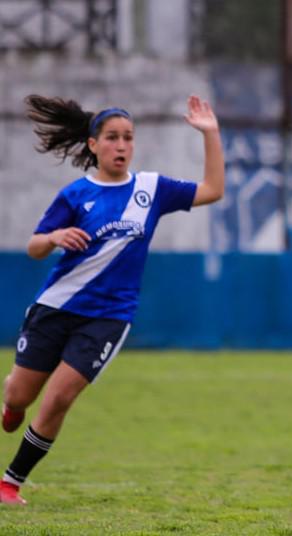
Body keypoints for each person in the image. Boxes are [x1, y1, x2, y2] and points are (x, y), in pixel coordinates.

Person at [0, 94, 224, 505]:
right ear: (93, 145)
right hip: (55, 308)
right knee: (19, 397)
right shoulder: (75, 194)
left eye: (128, 138)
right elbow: (33, 247)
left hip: (108, 317)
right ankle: (11, 404)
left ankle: (10, 482)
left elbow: (212, 190)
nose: (121, 146)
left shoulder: (152, 189)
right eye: (112, 138)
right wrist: (53, 237)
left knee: (59, 399)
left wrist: (210, 134)